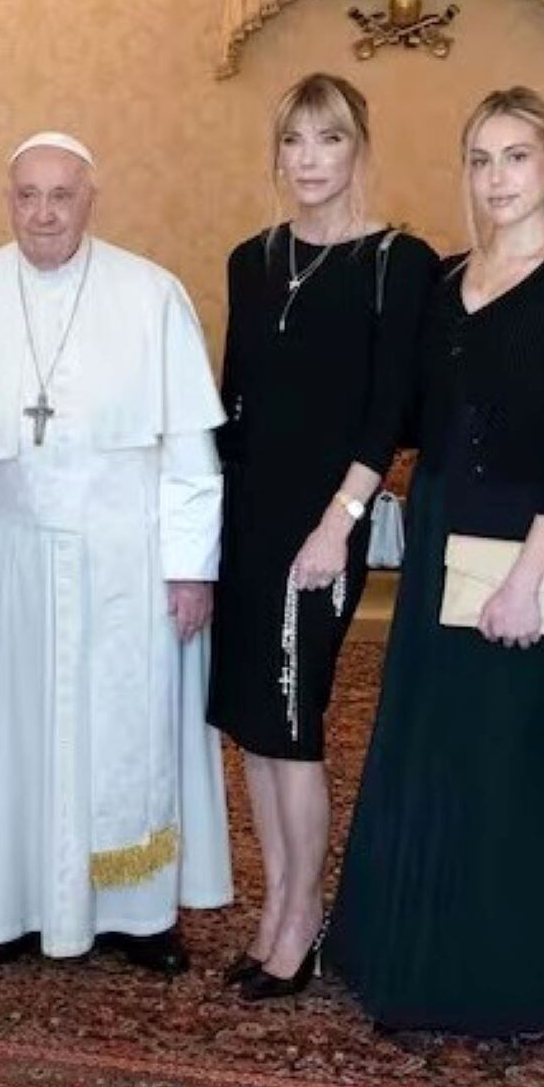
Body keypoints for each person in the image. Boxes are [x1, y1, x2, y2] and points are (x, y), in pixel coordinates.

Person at [323, 88, 544, 1033]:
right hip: (446, 529)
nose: (499, 179)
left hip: (530, 538)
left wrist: (527, 579)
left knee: (512, 763)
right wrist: (340, 514)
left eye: (517, 157)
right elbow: (392, 418)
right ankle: (408, 957)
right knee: (433, 749)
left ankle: (510, 983)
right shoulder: (444, 280)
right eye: (482, 160)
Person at [0, 131, 232, 974]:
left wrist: (192, 566)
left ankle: (137, 914)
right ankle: (5, 908)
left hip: (129, 556)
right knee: (14, 737)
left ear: (91, 199)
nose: (43, 212)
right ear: (7, 199)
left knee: (131, 733)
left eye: (61, 195)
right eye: (27, 195)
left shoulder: (151, 292)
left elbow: (193, 454)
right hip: (13, 556)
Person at [209, 73, 436, 1001]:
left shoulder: (397, 261)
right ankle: (274, 911)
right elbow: (232, 403)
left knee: (295, 727)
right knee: (255, 733)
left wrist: (337, 525)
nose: (309, 160)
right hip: (247, 523)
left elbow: (388, 412)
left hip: (323, 527)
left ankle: (302, 921)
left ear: (359, 148)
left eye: (329, 139)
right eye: (294, 142)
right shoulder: (251, 258)